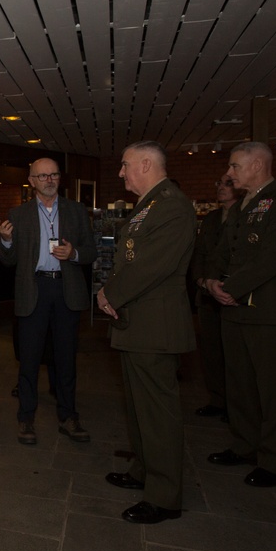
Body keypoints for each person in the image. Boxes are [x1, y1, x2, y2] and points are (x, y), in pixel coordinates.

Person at [97, 141, 196, 524]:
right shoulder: (150, 204)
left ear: (145, 164)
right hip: (137, 322)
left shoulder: (172, 205)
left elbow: (152, 266)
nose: (120, 173)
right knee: (140, 410)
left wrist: (110, 292)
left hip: (156, 325)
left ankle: (165, 496)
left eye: (124, 166)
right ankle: (143, 471)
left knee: (158, 414)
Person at [203, 142, 276, 488]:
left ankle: (275, 460)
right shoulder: (241, 207)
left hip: (266, 311)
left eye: (235, 167)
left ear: (258, 164)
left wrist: (231, 287)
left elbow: (272, 259)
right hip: (232, 310)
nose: (230, 174)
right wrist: (210, 281)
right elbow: (222, 250)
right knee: (240, 386)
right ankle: (245, 445)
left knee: (273, 389)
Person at [0, 158, 96, 446]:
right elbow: (9, 261)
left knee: (66, 358)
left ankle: (68, 417)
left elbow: (90, 251)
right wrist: (5, 241)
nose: (48, 180)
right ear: (32, 180)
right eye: (42, 176)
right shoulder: (18, 214)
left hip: (66, 290)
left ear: (59, 178)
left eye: (53, 175)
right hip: (34, 290)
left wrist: (74, 253)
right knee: (29, 359)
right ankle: (26, 418)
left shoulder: (76, 212)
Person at [189, 174, 243, 419]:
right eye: (218, 183)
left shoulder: (246, 216)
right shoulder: (211, 219)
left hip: (234, 296)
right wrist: (201, 280)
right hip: (208, 295)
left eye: (227, 184)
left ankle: (238, 406)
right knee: (211, 350)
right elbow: (198, 253)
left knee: (235, 354)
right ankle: (218, 400)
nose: (221, 188)